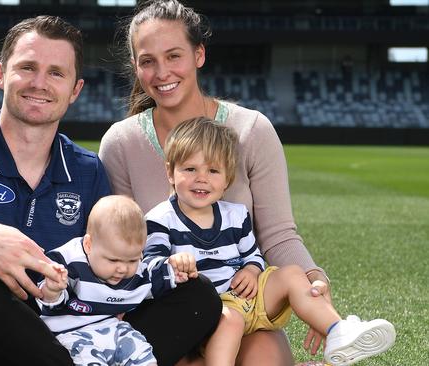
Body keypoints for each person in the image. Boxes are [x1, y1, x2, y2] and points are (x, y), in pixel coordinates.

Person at [0, 15, 219, 366]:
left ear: (75, 90)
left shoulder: (87, 171)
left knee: (197, 294)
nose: (39, 83)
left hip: (61, 337)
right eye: (27, 67)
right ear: (1, 73)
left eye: (56, 73)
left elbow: (114, 268)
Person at [98, 0, 333, 364]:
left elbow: (278, 235)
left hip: (239, 307)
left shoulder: (251, 130)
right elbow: (118, 247)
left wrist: (315, 282)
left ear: (199, 54)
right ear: (136, 67)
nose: (162, 72)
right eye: (148, 61)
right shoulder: (121, 142)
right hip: (165, 310)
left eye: (174, 55)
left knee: (262, 358)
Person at [143, 117, 396, 366]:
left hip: (247, 297)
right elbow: (150, 265)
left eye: (213, 170)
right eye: (190, 169)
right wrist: (173, 264)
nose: (202, 178)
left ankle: (337, 330)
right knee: (230, 320)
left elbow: (253, 254)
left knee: (291, 274)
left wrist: (252, 270)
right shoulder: (160, 219)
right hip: (212, 312)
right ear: (170, 172)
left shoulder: (236, 214)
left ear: (227, 179)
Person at [37, 195, 198, 366]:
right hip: (73, 333)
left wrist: (176, 269)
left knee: (142, 354)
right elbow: (47, 301)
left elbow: (154, 275)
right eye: (113, 260)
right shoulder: (69, 263)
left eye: (132, 260)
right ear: (88, 245)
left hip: (114, 327)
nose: (122, 269)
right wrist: (53, 290)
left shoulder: (136, 271)